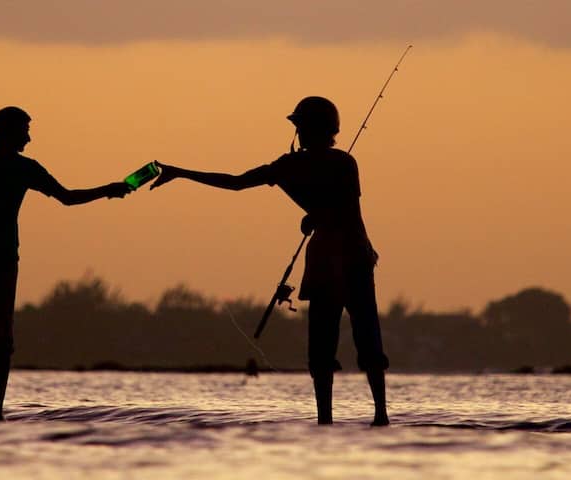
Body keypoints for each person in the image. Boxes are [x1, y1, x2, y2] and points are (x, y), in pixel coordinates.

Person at [151, 96, 391, 426]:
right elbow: (237, 183)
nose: (301, 132)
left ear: (318, 130)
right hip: (351, 260)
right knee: (354, 344)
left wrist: (313, 216)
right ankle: (368, 419)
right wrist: (180, 173)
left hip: (341, 262)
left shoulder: (298, 166)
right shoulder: (339, 163)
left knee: (341, 348)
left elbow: (237, 183)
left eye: (304, 127)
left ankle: (355, 418)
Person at [0, 106, 132, 421]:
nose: (29, 137)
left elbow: (67, 197)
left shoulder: (16, 167)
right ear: (6, 132)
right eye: (25, 130)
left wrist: (108, 190)